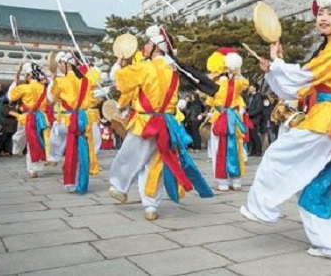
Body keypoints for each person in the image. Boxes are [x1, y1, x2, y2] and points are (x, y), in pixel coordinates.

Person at [242, 0, 331, 262]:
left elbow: (303, 77)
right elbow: (297, 88)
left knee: (277, 156)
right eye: (320, 14)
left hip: (326, 120)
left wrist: (278, 64)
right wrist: (275, 66)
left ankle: (263, 207)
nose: (323, 18)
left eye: (330, 14)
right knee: (314, 187)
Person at [108, 25, 213, 220]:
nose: (144, 47)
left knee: (129, 157)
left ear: (156, 48)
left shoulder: (145, 67)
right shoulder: (172, 71)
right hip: (165, 123)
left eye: (148, 44)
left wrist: (119, 63)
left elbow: (118, 79)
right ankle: (150, 206)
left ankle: (119, 187)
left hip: (144, 122)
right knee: (154, 164)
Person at [50, 52, 103, 194]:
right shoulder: (87, 80)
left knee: (69, 151)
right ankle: (83, 182)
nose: (60, 66)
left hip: (67, 120)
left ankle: (70, 181)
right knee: (84, 150)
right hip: (84, 118)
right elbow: (94, 98)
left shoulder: (60, 81)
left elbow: (54, 98)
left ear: (67, 64)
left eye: (61, 64)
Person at [206, 48, 250, 191]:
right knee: (236, 148)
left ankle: (222, 181)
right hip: (233, 118)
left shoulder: (218, 83)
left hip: (220, 117)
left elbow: (209, 100)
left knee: (219, 149)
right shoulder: (239, 82)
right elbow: (245, 83)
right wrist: (237, 73)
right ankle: (236, 180)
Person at [10, 62, 49, 178]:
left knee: (24, 140)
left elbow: (11, 96)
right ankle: (36, 168)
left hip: (26, 117)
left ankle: (20, 154)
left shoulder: (24, 88)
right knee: (37, 142)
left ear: (28, 76)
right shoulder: (43, 88)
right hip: (41, 118)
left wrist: (14, 81)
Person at [245, 84, 264, 156]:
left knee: (255, 135)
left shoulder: (258, 96)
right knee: (250, 135)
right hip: (249, 118)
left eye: (251, 87)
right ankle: (252, 151)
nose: (249, 88)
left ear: (255, 88)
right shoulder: (250, 96)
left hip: (255, 119)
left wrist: (249, 114)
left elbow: (259, 109)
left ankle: (258, 151)